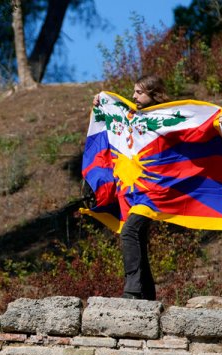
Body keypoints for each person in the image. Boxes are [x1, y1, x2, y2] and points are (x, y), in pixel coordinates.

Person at [92, 75, 170, 300]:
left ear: (153, 94)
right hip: (134, 191)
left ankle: (132, 292)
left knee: (129, 232)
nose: (133, 96)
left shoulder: (166, 116)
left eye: (139, 92)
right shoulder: (132, 116)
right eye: (133, 91)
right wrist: (101, 101)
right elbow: (114, 122)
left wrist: (217, 120)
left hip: (155, 190)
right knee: (137, 238)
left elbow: (194, 123)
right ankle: (147, 296)